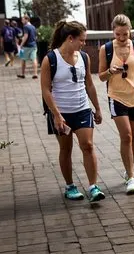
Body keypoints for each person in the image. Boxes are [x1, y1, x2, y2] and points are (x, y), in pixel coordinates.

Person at [40, 20, 106, 203]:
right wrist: (56, 115)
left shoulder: (84, 57)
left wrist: (98, 108)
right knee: (66, 149)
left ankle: (93, 186)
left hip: (82, 109)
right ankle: (70, 186)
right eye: (82, 40)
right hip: (61, 113)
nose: (84, 43)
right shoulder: (51, 59)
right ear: (70, 38)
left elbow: (89, 85)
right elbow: (45, 89)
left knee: (88, 145)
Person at [97, 14, 134, 195]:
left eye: (125, 34)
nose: (121, 39)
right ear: (113, 32)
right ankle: (131, 176)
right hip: (117, 97)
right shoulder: (106, 49)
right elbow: (100, 76)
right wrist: (110, 71)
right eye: (117, 35)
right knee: (127, 136)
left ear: (130, 31)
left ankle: (129, 169)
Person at [18, 15, 38, 79]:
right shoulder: (33, 27)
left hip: (26, 46)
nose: (21, 21)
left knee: (23, 59)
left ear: (27, 20)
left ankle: (22, 74)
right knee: (34, 59)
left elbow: (26, 36)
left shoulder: (25, 27)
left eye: (22, 19)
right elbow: (35, 36)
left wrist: (21, 44)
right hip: (34, 45)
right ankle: (35, 74)